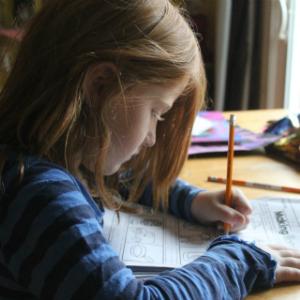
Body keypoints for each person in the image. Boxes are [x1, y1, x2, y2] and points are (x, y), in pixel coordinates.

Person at [0, 0, 299, 299]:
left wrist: (192, 200)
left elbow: (119, 178)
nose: (152, 138)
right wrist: (238, 261)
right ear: (100, 86)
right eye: (155, 112)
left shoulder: (43, 152)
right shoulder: (42, 198)